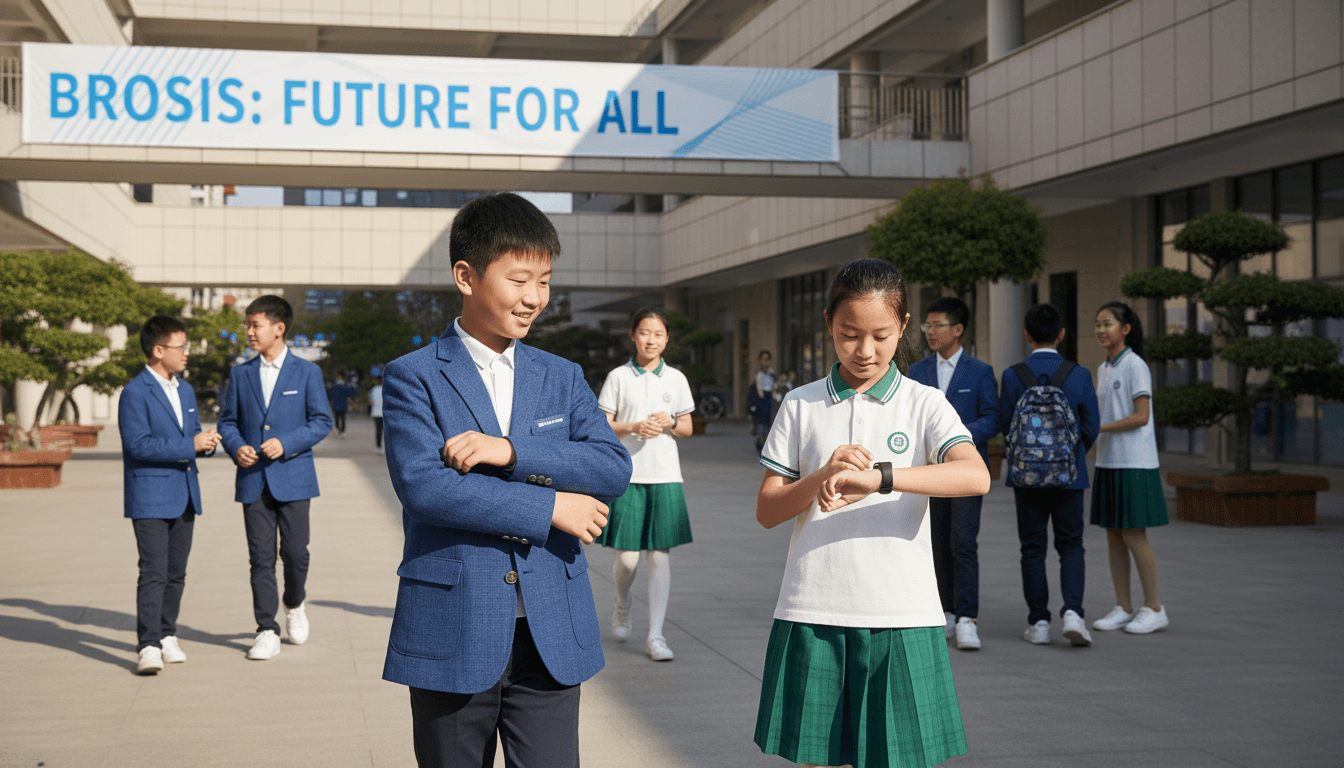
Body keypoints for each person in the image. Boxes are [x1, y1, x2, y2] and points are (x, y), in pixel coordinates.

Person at [379, 192, 632, 768]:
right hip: (455, 624)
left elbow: (612, 467)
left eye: (544, 281)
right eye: (520, 280)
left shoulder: (561, 376)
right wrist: (549, 510)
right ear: (466, 276)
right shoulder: (413, 377)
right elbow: (427, 488)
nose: (534, 298)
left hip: (549, 628)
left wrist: (511, 452)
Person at [754, 259, 988, 768]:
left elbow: (975, 476)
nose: (865, 350)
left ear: (903, 327)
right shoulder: (800, 404)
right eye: (848, 334)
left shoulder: (924, 403)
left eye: (881, 335)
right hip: (812, 608)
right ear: (828, 324)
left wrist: (882, 477)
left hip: (902, 612)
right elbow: (768, 509)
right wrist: (820, 475)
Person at [218, 295, 334, 661]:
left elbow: (321, 421)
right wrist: (236, 447)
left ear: (278, 328)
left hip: (295, 478)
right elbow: (227, 422)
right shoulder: (240, 374)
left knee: (296, 554)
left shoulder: (307, 373)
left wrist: (285, 443)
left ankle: (295, 603)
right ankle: (266, 628)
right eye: (248, 325)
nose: (249, 332)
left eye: (256, 325)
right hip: (253, 480)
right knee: (260, 559)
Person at [119, 315, 220, 675]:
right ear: (158, 350)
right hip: (149, 494)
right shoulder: (135, 392)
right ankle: (147, 644)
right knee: (154, 572)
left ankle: (167, 634)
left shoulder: (186, 390)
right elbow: (138, 444)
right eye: (180, 347)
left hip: (184, 493)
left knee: (177, 573)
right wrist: (188, 444)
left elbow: (190, 437)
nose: (186, 354)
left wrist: (204, 443)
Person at [596, 307, 696, 662]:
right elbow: (602, 424)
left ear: (667, 338)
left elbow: (687, 427)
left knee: (660, 557)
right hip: (628, 475)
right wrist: (633, 426)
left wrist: (669, 422)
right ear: (632, 335)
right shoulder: (618, 377)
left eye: (658, 334)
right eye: (644, 332)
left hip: (666, 475)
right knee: (627, 558)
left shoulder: (677, 379)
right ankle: (622, 603)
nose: (651, 339)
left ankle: (656, 636)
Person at [998, 303, 1100, 647]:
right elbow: (1091, 426)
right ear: (1062, 334)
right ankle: (1073, 613)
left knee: (1032, 548)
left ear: (1026, 336)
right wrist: (1067, 457)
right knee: (1071, 545)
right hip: (1069, 477)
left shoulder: (1013, 375)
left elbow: (1005, 424)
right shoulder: (1080, 374)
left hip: (1026, 478)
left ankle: (1038, 622)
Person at [908, 296, 999, 651]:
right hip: (929, 473)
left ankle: (967, 617)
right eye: (927, 326)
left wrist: (955, 440)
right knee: (936, 544)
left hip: (964, 471)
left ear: (958, 330)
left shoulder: (979, 372)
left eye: (937, 325)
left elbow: (992, 417)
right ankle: (943, 611)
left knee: (963, 542)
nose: (930, 332)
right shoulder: (917, 371)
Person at [1090, 301, 1170, 634]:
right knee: (1113, 534)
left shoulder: (1135, 365)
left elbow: (1142, 416)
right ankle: (1123, 606)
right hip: (1108, 461)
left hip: (1135, 462)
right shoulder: (1103, 368)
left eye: (1107, 324)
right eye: (1097, 324)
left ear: (1125, 329)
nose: (1101, 330)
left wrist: (1098, 429)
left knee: (1135, 535)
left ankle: (1154, 607)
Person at [749, 351, 776, 453]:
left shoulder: (771, 373)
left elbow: (774, 386)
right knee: (761, 423)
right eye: (763, 359)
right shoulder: (759, 374)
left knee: (770, 423)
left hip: (770, 398)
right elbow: (759, 390)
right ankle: (760, 443)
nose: (765, 362)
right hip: (762, 399)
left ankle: (767, 444)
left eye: (767, 359)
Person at [369, 376, 385, 455]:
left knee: (378, 431)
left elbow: (370, 400)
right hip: (385, 413)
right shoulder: (387, 389)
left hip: (376, 413)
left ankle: (378, 446)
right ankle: (386, 447)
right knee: (386, 431)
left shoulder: (373, 389)